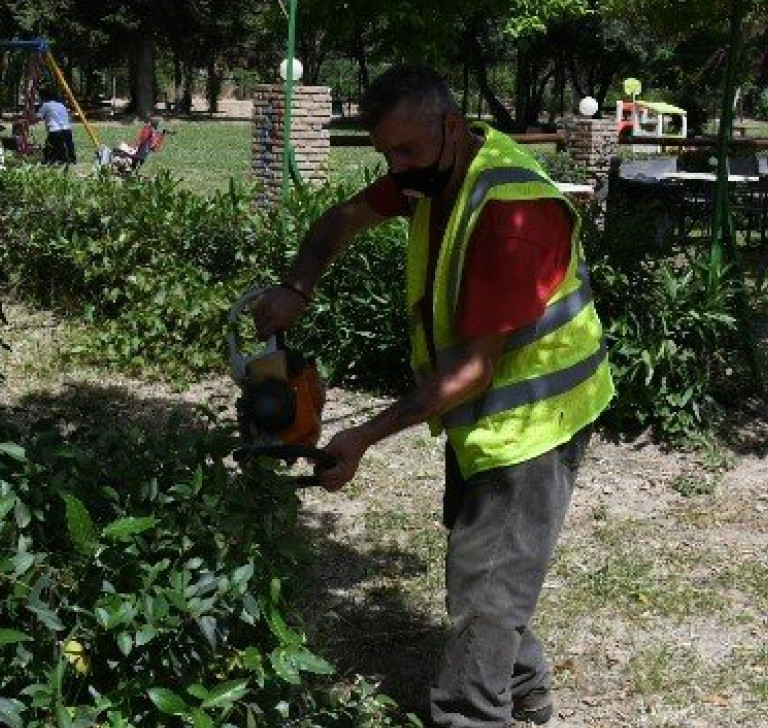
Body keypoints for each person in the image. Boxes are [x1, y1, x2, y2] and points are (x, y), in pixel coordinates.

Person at [253, 65, 614, 728]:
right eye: (386, 152)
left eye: (407, 151)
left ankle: (475, 716)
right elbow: (345, 217)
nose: (396, 167)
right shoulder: (435, 170)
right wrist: (297, 287)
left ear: (451, 126)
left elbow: (471, 373)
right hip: (488, 414)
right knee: (484, 562)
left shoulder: (509, 214)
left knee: (483, 584)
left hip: (535, 415)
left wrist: (361, 438)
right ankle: (526, 687)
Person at [36, 88, 76, 166]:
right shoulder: (61, 105)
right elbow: (69, 116)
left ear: (43, 97)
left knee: (50, 147)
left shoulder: (46, 105)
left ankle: (51, 160)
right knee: (68, 145)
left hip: (55, 130)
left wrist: (28, 117)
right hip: (67, 128)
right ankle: (72, 159)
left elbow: (37, 118)